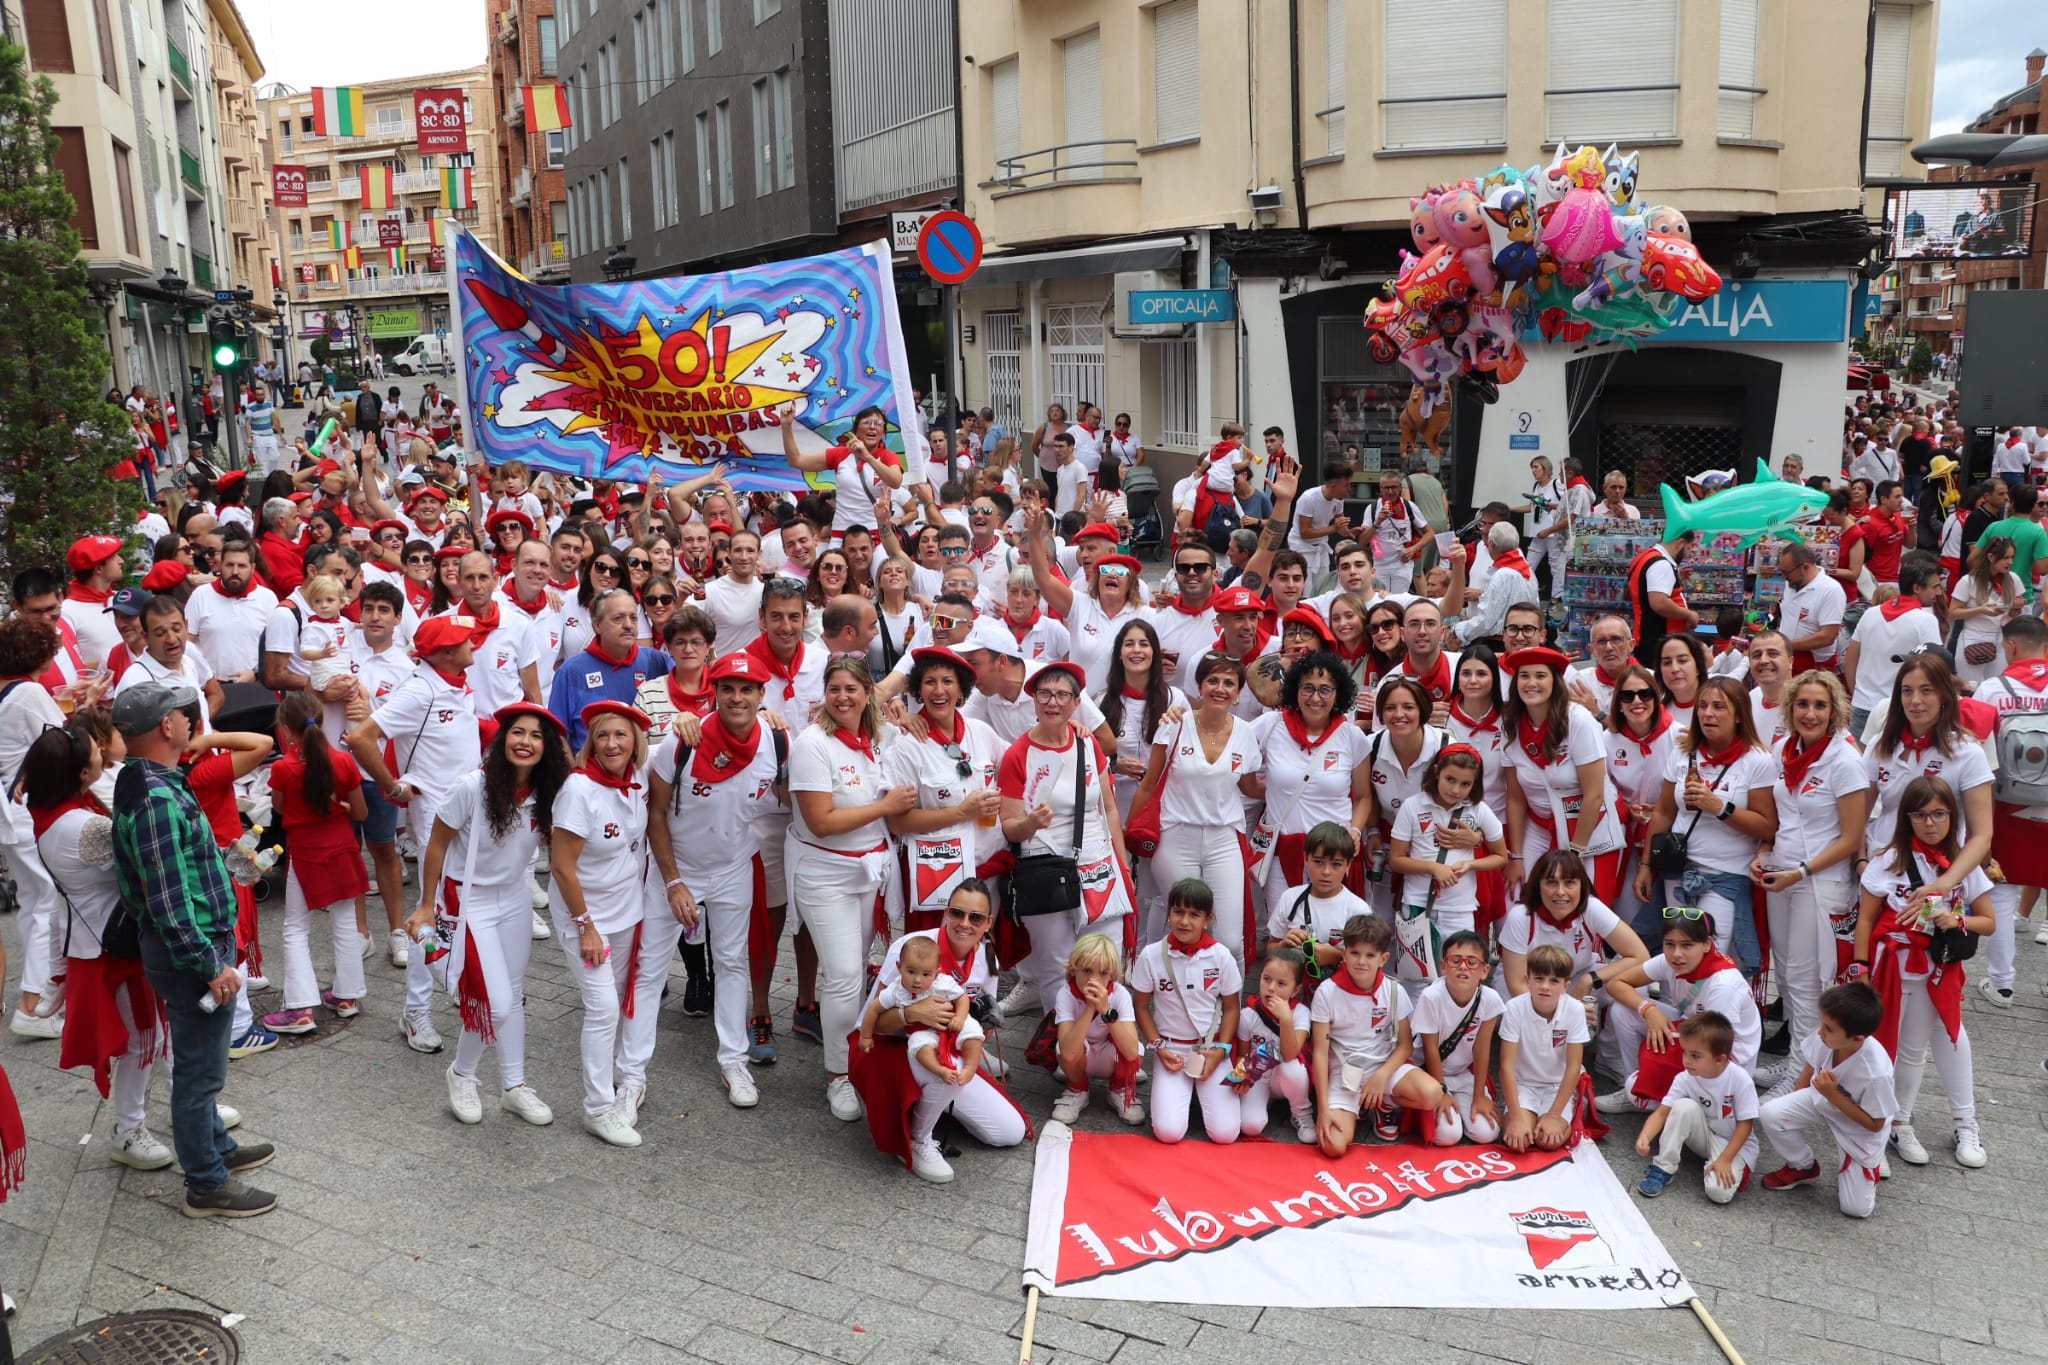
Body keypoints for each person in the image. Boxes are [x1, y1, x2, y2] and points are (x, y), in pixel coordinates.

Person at [108, 682, 277, 1217]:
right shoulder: (155, 795)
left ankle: (217, 1150)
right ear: (165, 727)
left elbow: (173, 873)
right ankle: (205, 1183)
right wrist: (209, 964)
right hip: (191, 952)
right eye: (184, 715)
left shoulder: (150, 779)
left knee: (197, 1064)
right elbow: (165, 897)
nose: (190, 722)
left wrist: (225, 864)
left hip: (191, 945)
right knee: (201, 1074)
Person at [409, 702, 570, 1128]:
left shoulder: (548, 791)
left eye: (537, 736)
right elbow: (436, 845)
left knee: (513, 995)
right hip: (468, 900)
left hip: (515, 896)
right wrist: (426, 905)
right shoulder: (471, 787)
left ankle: (514, 1086)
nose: (526, 742)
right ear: (503, 739)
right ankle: (462, 1074)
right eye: (518, 732)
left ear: (547, 748)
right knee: (494, 1004)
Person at [23, 722, 173, 1170]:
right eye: (94, 749)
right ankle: (128, 1130)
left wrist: (56, 972)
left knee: (159, 1033)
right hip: (114, 949)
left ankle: (192, 1101)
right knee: (145, 1037)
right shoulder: (83, 827)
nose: (101, 748)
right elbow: (151, 861)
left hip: (96, 943)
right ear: (81, 774)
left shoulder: (57, 812)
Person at [646, 653, 787, 1107]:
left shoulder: (779, 742)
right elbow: (655, 812)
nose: (738, 697)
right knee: (650, 970)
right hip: (678, 869)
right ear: (715, 692)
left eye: (747, 689)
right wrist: (672, 882)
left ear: (762, 696)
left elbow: (798, 792)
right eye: (728, 688)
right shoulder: (683, 740)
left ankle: (734, 1061)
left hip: (733, 868)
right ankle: (629, 1070)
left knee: (731, 964)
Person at [344, 614, 484, 1055]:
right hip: (436, 821)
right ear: (444, 653)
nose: (473, 646)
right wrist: (391, 786)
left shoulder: (454, 682)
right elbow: (361, 737)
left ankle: (455, 981)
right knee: (433, 915)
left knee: (462, 909)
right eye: (465, 642)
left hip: (470, 814)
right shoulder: (420, 690)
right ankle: (416, 1010)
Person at [787, 659, 912, 1122]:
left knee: (856, 970)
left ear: (867, 693)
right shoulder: (812, 745)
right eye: (835, 689)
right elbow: (820, 823)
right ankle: (837, 1075)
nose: (844, 697)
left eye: (852, 689)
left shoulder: (878, 737)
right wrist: (884, 806)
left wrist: (910, 720)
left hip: (868, 873)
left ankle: (854, 1051)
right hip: (824, 874)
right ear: (825, 693)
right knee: (841, 974)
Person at [1850, 775, 1991, 1170]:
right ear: (1906, 818)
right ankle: (1894, 1124)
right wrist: (1859, 967)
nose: (1930, 823)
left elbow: (1990, 922)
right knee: (1893, 1047)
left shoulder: (1963, 864)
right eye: (1920, 815)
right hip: (1892, 967)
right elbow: (1866, 919)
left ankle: (1954, 1122)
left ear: (1953, 815)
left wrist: (1955, 917)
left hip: (1939, 968)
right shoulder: (1886, 860)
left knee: (1940, 1040)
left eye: (1939, 814)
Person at [852, 881, 1029, 1183]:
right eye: (957, 913)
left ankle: (933, 1103)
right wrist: (911, 1014)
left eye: (975, 918)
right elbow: (868, 1024)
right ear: (946, 913)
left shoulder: (987, 960)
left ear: (988, 924)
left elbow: (981, 1023)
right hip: (888, 1048)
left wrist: (972, 1032)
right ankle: (918, 1138)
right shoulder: (912, 948)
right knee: (943, 1070)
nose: (964, 923)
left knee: (1009, 1132)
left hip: (947, 1045)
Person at [549, 701, 655, 1147]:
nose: (612, 744)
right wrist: (585, 925)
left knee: (614, 1000)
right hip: (586, 915)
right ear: (591, 741)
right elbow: (561, 867)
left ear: (635, 742)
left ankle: (615, 1083)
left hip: (626, 911)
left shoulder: (637, 781)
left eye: (621, 735)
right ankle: (597, 1109)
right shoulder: (578, 791)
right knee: (602, 1009)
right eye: (603, 736)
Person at [1753, 669, 1870, 1070]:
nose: (1810, 713)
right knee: (1784, 975)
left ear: (1835, 710)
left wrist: (1800, 872)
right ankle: (1793, 1063)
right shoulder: (1782, 750)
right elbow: (1778, 816)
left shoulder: (1846, 761)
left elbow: (1852, 838)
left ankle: (1803, 1073)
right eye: (1802, 703)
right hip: (1782, 875)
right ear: (1790, 707)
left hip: (1820, 880)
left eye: (1820, 705)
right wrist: (1764, 852)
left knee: (1807, 982)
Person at [1635, 675, 1776, 977]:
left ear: (1739, 715)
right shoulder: (1684, 752)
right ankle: (1678, 1019)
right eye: (1702, 706)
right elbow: (1663, 813)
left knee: (1709, 960)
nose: (1708, 713)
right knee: (1676, 955)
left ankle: (1711, 1020)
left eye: (1719, 707)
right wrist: (1647, 865)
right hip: (1678, 871)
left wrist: (1719, 807)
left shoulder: (1758, 761)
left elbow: (1767, 827)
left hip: (1724, 877)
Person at [1127, 653, 1259, 960]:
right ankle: (1165, 999)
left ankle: (1228, 1008)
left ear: (1238, 693)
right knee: (1182, 930)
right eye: (1213, 680)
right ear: (1199, 687)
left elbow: (1250, 786)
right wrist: (1127, 840)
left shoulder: (1246, 732)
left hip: (1224, 839)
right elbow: (1149, 784)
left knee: (1230, 941)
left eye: (1229, 683)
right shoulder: (1174, 724)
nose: (1220, 688)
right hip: (1176, 837)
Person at [258, 692, 369, 1035]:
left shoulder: (283, 767)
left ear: (287, 732)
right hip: (343, 849)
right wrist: (345, 809)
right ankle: (347, 996)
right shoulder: (344, 761)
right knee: (346, 921)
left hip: (306, 853)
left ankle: (300, 1007)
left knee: (295, 927)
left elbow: (278, 806)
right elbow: (361, 812)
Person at [882, 647, 1004, 933]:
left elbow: (1019, 762)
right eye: (930, 682)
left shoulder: (981, 732)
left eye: (948, 681)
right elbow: (898, 821)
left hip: (987, 873)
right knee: (932, 963)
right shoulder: (906, 746)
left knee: (979, 962)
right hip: (937, 875)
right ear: (918, 690)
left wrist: (1065, 727)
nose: (939, 690)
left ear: (961, 689)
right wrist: (962, 812)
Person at [1599, 905, 1763, 1116]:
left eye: (1687, 945)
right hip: (1693, 1031)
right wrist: (1649, 1010)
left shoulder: (1724, 986)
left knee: (1642, 1086)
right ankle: (1638, 1091)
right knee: (1623, 1010)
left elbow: (1715, 1047)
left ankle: (1659, 1098)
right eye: (1669, 944)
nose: (1677, 954)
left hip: (1723, 1057)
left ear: (1707, 944)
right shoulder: (1670, 961)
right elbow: (1616, 983)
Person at [1757, 981, 1896, 1218]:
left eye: (1829, 1028)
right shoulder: (1828, 1036)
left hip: (1859, 1126)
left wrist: (1833, 1094)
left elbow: (1875, 1123)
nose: (1821, 1032)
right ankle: (1803, 1167)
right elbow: (1810, 1064)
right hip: (1822, 1097)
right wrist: (1792, 1105)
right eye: (1822, 1024)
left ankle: (1867, 1170)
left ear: (1857, 1039)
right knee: (1771, 1112)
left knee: (1855, 1210)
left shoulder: (1877, 1072)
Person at [1244, 651, 1373, 904]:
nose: (1315, 698)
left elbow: (1364, 796)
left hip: (1334, 856)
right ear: (1295, 689)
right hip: (1284, 854)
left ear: (1338, 694)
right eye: (1308, 688)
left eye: (1325, 689)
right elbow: (1229, 740)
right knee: (1286, 933)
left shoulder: (1351, 737)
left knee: (1333, 935)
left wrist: (1356, 830)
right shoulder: (1270, 725)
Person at [1863, 652, 1994, 896]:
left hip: (1939, 874)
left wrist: (1944, 884)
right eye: (1907, 691)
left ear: (1944, 695)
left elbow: (1982, 835)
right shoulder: (1880, 745)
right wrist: (1861, 862)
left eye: (1926, 690)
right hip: (1880, 869)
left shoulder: (1968, 752)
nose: (1915, 700)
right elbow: (1857, 817)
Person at [1310, 913, 1441, 1154]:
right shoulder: (1326, 992)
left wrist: (1381, 1077)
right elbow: (1319, 1052)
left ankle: (1383, 1103)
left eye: (1370, 955)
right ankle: (1354, 1106)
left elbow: (1405, 1046)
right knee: (1333, 1147)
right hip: (1344, 1072)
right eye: (1355, 953)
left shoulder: (1393, 990)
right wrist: (1323, 1109)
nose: (1362, 961)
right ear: (1344, 953)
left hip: (1382, 1066)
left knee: (1432, 1094)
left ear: (1384, 958)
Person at [1502, 647, 1626, 902]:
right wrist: (1516, 856)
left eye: (1540, 676)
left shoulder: (1578, 720)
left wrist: (1574, 854)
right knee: (1518, 896)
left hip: (1588, 825)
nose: (1531, 683)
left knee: (1586, 904)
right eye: (1524, 676)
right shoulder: (1511, 723)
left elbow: (1594, 795)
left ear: (1555, 682)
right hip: (1540, 824)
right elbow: (1515, 797)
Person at [0, 614, 72, 1039]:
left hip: (10, 813)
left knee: (33, 900)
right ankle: (34, 1004)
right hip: (23, 811)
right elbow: (64, 742)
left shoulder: (11, 690)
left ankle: (36, 995)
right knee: (46, 901)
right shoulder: (28, 692)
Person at [1388, 744, 1509, 996]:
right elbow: (1396, 860)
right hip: (1417, 908)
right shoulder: (1413, 806)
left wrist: (1471, 864)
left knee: (1458, 979)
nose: (1455, 789)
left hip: (1460, 910)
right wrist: (1434, 868)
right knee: (1415, 982)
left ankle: (1451, 1033)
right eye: (1450, 779)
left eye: (1465, 784)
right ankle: (1417, 1035)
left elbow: (1501, 856)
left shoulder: (1478, 810)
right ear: (1436, 772)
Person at [1130, 879, 1242, 1145]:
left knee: (1225, 1135)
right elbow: (1141, 1006)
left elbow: (1231, 1008)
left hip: (1211, 1049)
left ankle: (1194, 1096)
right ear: (1168, 912)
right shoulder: (1151, 955)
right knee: (1168, 1133)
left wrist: (1221, 1050)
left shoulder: (1221, 956)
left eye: (1194, 915)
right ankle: (1185, 1095)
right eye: (1178, 912)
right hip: (1171, 1051)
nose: (1184, 921)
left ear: (1208, 919)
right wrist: (1157, 1046)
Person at [1631, 1011, 1759, 1203]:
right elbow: (1662, 1113)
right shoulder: (1685, 1077)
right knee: (1682, 1106)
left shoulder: (1740, 1079)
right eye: (1685, 1052)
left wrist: (1725, 1159)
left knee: (1719, 1194)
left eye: (1695, 1055)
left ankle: (1731, 1166)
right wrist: (1645, 1136)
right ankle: (1663, 1167)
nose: (1686, 1060)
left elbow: (1745, 1125)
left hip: (1733, 1143)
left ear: (1720, 1059)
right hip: (1705, 1135)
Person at [1412, 931, 1504, 1146]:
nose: (1463, 967)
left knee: (1487, 1133)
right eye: (1456, 961)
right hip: (1429, 1074)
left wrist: (1480, 1094)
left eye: (1472, 962)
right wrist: (1442, 1091)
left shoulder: (1491, 999)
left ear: (1484, 971)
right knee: (1447, 1136)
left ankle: (1462, 1104)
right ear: (1443, 966)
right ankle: (1422, 1106)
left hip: (1463, 1073)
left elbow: (1482, 1049)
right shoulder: (1431, 996)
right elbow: (1430, 1049)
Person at [1498, 943, 1589, 1152]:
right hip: (1524, 1084)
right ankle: (1527, 1115)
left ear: (1566, 986)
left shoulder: (1574, 1010)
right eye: (1539, 978)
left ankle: (1571, 1108)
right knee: (1518, 1141)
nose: (1545, 986)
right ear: (1527, 979)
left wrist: (1555, 1115)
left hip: (1557, 1086)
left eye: (1554, 980)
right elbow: (1506, 1067)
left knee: (1548, 1141)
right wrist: (1516, 1116)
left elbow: (1574, 1067)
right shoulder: (1514, 1008)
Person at [1844, 558, 1945, 736]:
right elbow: (1936, 669)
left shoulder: (1870, 613)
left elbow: (1850, 660)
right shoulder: (1926, 621)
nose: (1938, 592)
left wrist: (1859, 694)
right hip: (1897, 710)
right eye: (1934, 587)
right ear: (1917, 588)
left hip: (1862, 706)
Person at [1228, 946, 1314, 1142]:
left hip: (1286, 1073)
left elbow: (1291, 1053)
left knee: (1293, 1068)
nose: (1272, 987)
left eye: (1281, 983)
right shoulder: (1248, 1015)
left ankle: (1302, 1112)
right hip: (1259, 1077)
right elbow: (1243, 1053)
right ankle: (1264, 1100)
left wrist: (1285, 1020)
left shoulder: (1300, 1013)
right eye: (1267, 979)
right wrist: (1242, 1074)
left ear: (1296, 989)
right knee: (1251, 1126)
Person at [1949, 537, 2023, 685]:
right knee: (1970, 688)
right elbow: (1952, 612)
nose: (2010, 562)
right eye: (2006, 558)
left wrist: (2016, 608)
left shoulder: (2013, 579)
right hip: (1972, 638)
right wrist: (1980, 610)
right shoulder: (1968, 581)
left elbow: (2015, 613)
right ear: (1991, 557)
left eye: (2012, 557)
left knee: (1999, 686)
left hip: (2001, 639)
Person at [1625, 525, 1698, 657]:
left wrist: (1675, 577)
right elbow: (1659, 603)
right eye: (1688, 548)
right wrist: (1689, 615)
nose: (1687, 554)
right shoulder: (1661, 564)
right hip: (1657, 643)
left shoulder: (1644, 557)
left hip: (1648, 638)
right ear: (1680, 543)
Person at [1775, 544, 1846, 675]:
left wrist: (1785, 645)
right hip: (1787, 658)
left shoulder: (1831, 590)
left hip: (1815, 665)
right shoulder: (1791, 583)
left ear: (1805, 567)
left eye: (1786, 572)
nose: (1783, 576)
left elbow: (1827, 637)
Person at [1654, 632, 1707, 733]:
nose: (1674, 669)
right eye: (1667, 663)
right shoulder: (1656, 715)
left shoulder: (1717, 709)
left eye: (1682, 660)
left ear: (1698, 667)